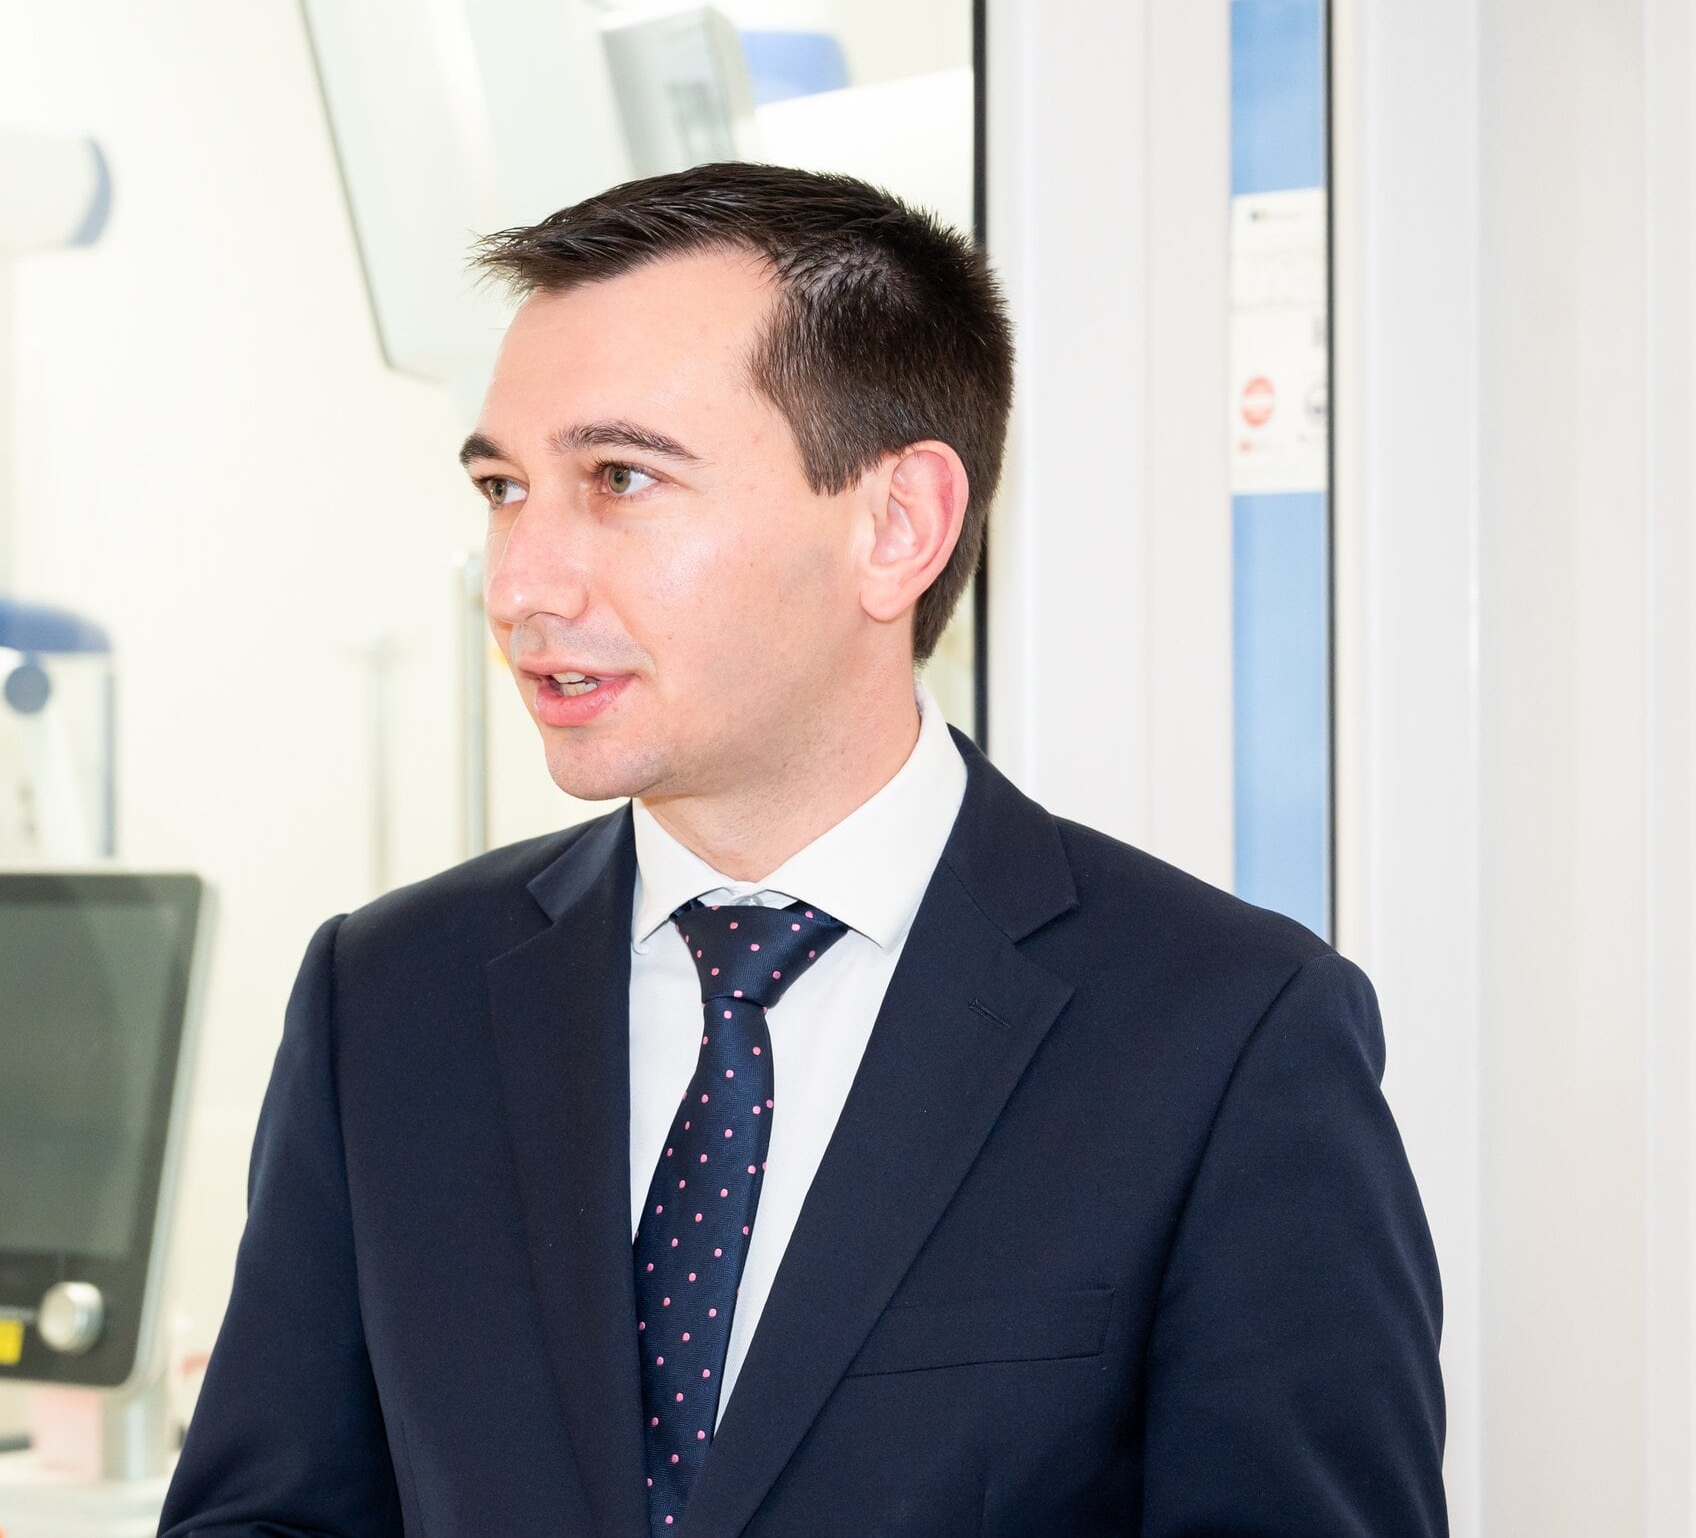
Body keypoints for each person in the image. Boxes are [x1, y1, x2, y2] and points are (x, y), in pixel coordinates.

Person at [158, 163, 1447, 1537]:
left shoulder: (1225, 1035)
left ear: (897, 526)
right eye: (503, 488)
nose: (523, 579)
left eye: (618, 478)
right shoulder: (389, 997)